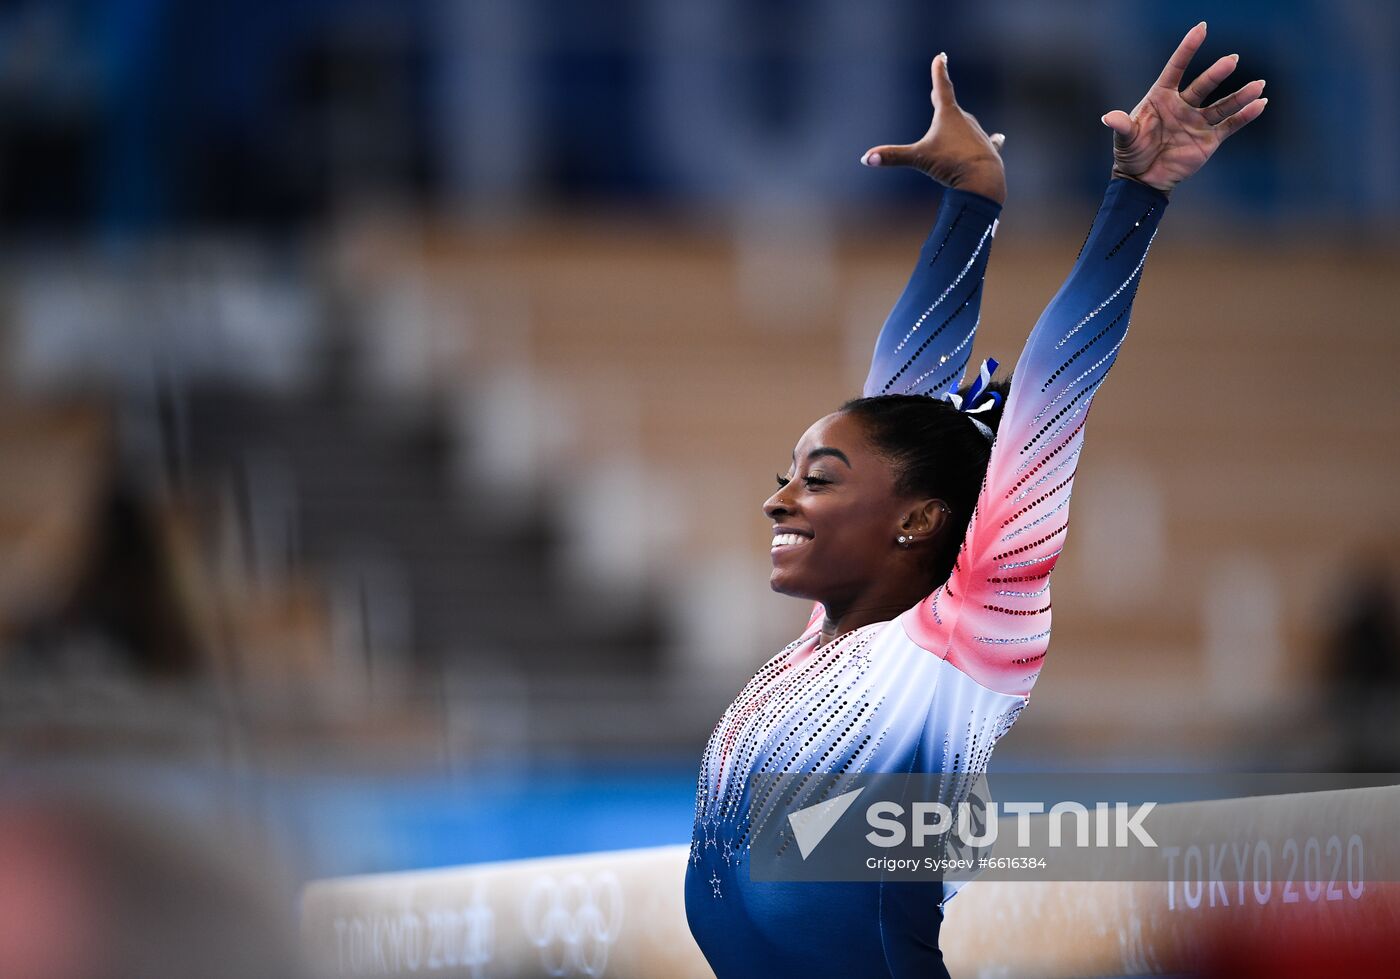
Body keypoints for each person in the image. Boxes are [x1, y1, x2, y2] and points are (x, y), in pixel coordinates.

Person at [685, 23, 1266, 978]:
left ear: (918, 519)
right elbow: (898, 421)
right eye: (789, 476)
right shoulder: (844, 635)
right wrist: (972, 202)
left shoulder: (968, 628)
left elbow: (1051, 392)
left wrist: (1137, 198)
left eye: (815, 480)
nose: (779, 502)